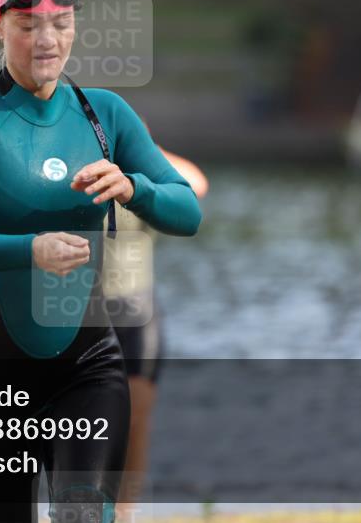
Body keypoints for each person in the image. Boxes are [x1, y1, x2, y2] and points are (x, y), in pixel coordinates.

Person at [0, 0, 202, 523]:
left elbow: (187, 211)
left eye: (60, 24)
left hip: (88, 370)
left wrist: (133, 187)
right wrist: (29, 251)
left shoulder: (105, 115)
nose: (46, 40)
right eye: (28, 25)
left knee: (82, 516)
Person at [103, 145, 208, 516]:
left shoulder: (145, 180)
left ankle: (125, 513)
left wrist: (145, 149)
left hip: (137, 311)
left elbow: (197, 184)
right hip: (81, 312)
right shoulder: (87, 171)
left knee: (135, 423)